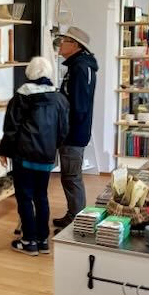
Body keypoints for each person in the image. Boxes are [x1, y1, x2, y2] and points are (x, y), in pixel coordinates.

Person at [0, 56, 69, 256]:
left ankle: (29, 241)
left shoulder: (22, 95)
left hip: (24, 155)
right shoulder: (59, 98)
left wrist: (3, 151)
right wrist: (52, 147)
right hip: (46, 156)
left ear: (29, 73)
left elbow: (11, 128)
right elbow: (63, 130)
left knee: (25, 197)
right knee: (41, 196)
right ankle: (43, 240)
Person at [54, 26, 98, 233]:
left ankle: (77, 219)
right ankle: (74, 214)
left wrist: (65, 127)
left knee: (71, 177)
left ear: (75, 45)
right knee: (70, 176)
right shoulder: (79, 66)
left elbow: (79, 105)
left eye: (64, 41)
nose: (60, 44)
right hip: (74, 129)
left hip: (73, 132)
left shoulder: (80, 68)